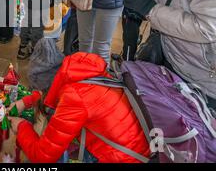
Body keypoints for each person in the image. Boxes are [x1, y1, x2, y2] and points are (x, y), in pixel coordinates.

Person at [9, 51, 150, 163]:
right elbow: (52, 88)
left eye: (38, 88)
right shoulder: (78, 70)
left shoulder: (73, 99)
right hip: (136, 144)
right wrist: (25, 102)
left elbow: (43, 156)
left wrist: (21, 126)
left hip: (123, 157)